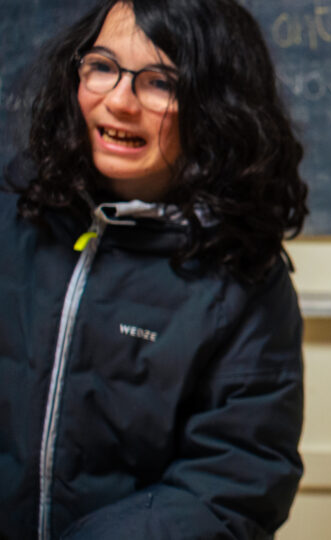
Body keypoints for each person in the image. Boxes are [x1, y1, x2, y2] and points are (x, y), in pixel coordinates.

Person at [0, 0, 309, 538]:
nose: (118, 101)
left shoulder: (247, 280)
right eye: (101, 67)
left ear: (215, 106)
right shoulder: (15, 212)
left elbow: (233, 485)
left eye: (160, 83)